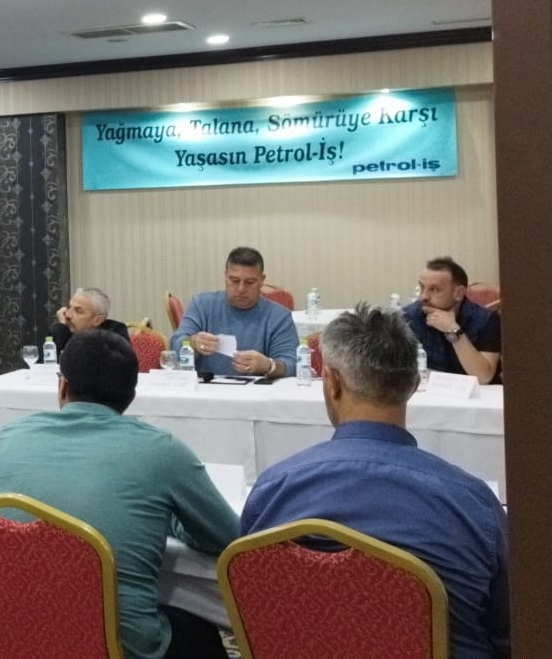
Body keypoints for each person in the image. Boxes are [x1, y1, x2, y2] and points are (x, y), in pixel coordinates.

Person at [241, 305, 509, 659]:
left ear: (332, 383)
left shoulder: (274, 491)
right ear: (414, 384)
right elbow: (510, 632)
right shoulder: (473, 506)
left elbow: (257, 606)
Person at [0, 330, 238, 659]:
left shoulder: (9, 436)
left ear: (63, 386)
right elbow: (229, 538)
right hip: (115, 646)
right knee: (199, 630)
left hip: (11, 635)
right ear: (131, 395)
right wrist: (171, 521)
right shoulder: (162, 450)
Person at [169, 246, 299, 378]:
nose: (241, 289)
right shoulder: (202, 305)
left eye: (250, 282)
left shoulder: (279, 317)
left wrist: (269, 366)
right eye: (234, 281)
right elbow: (174, 346)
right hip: (206, 387)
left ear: (262, 280)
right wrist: (193, 343)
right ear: (225, 277)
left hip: (257, 389)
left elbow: (292, 365)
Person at [405, 256, 502, 384]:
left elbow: (484, 377)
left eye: (434, 289)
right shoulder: (409, 317)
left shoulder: (487, 320)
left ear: (458, 293)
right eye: (422, 287)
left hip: (478, 394)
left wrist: (453, 330)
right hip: (429, 392)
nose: (424, 297)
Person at [46, 286, 131, 353]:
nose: (68, 315)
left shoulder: (115, 333)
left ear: (97, 320)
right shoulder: (63, 331)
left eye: (78, 311)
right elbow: (47, 362)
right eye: (69, 307)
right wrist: (61, 327)